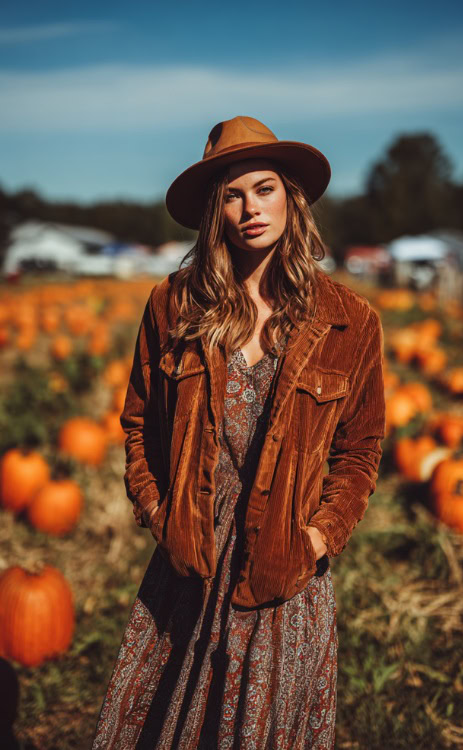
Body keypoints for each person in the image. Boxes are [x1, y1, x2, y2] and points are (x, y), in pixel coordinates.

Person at [91, 115, 386, 749]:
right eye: (233, 194)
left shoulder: (350, 322)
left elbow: (360, 451)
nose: (251, 208)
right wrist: (154, 507)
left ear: (291, 199)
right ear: (214, 212)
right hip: (187, 562)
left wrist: (315, 539)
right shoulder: (173, 305)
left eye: (265, 188)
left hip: (280, 571)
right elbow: (137, 422)